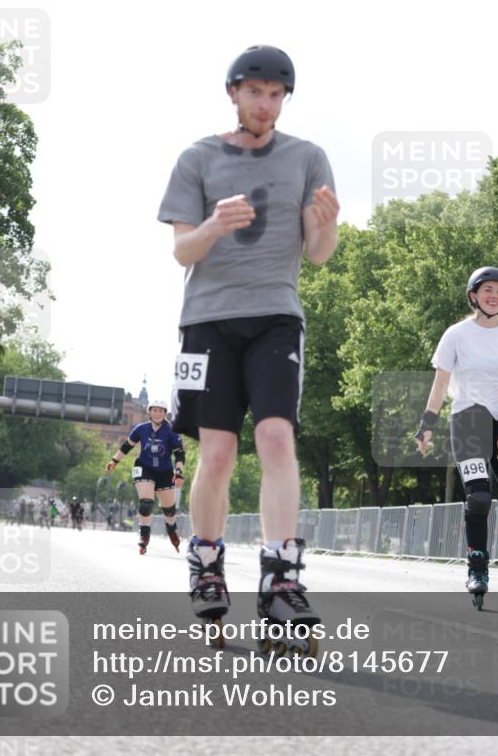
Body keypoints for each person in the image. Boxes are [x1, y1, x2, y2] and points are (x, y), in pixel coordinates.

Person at [157, 44, 339, 632]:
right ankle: (207, 562)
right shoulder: (198, 158)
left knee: (277, 438)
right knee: (217, 452)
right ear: (232, 93)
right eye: (254, 92)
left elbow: (317, 254)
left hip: (276, 317)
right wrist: (214, 223)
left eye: (276, 95)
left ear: (285, 99)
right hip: (206, 321)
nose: (265, 104)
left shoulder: (308, 158)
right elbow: (182, 249)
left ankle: (281, 576)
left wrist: (328, 224)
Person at [416, 266, 498, 608]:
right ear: (473, 296)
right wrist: (426, 425)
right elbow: (440, 383)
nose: (494, 296)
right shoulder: (456, 334)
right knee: (479, 498)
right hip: (467, 420)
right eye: (487, 290)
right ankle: (477, 566)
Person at [106, 398, 185, 554]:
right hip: (144, 467)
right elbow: (127, 446)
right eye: (154, 410)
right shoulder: (141, 429)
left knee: (169, 509)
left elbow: (179, 454)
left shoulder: (171, 430)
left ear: (165, 414)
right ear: (149, 412)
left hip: (165, 471)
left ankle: (171, 529)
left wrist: (179, 472)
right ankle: (144, 537)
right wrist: (114, 460)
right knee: (146, 503)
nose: (157, 413)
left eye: (161, 411)